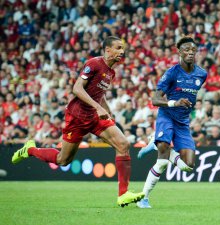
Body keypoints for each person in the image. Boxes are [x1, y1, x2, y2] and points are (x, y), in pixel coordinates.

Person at [11, 36, 144, 207]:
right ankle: (30, 150)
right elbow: (77, 88)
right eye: (118, 48)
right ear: (107, 49)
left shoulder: (111, 72)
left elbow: (99, 93)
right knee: (63, 160)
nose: (122, 51)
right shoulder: (94, 63)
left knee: (123, 144)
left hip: (94, 117)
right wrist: (98, 108)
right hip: (77, 117)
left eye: (123, 48)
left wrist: (106, 109)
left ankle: (123, 194)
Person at [137, 35, 207, 208]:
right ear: (179, 52)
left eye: (193, 50)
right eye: (186, 50)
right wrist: (174, 102)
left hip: (183, 122)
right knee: (161, 161)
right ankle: (143, 199)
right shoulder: (171, 73)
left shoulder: (201, 74)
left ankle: (156, 143)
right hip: (167, 116)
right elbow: (155, 100)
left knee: (188, 166)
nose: (190, 53)